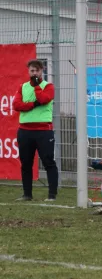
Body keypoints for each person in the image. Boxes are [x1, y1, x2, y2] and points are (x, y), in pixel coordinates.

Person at [13, 59, 59, 202]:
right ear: (28, 71)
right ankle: (27, 194)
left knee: (48, 162)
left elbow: (44, 99)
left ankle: (52, 195)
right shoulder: (22, 87)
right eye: (32, 71)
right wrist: (33, 104)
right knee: (26, 163)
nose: (34, 73)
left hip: (43, 131)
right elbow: (16, 105)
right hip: (25, 131)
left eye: (37, 71)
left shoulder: (48, 86)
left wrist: (37, 86)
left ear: (42, 71)